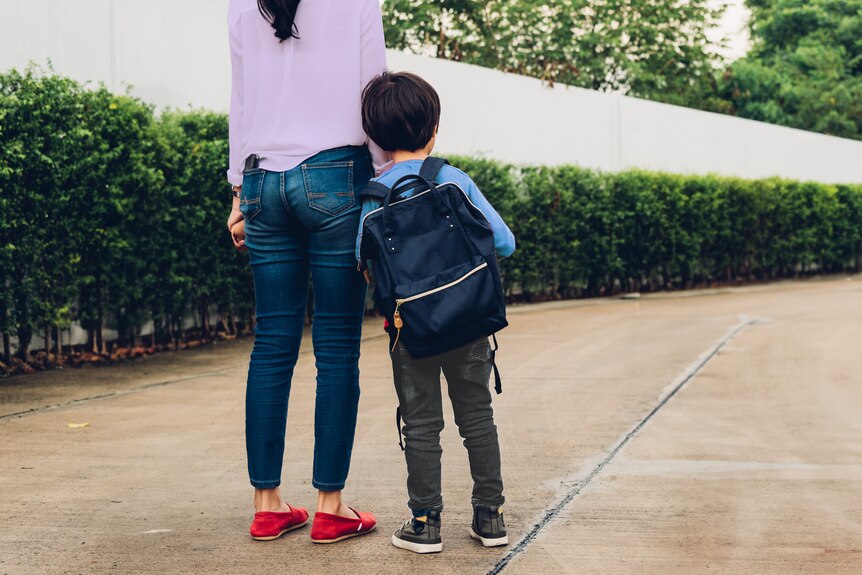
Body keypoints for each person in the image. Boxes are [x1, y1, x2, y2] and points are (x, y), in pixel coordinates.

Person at [226, 0, 388, 543]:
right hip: (335, 176)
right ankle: (329, 506)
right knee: (337, 346)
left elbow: (241, 97)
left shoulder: (243, 2)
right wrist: (386, 185)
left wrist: (236, 192)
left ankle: (267, 504)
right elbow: (375, 95)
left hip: (262, 182)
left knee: (272, 341)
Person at [357, 72, 516, 554]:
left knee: (421, 426)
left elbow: (363, 268)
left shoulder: (370, 200)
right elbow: (503, 242)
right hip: (469, 325)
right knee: (478, 418)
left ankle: (424, 524)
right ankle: (490, 518)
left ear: (374, 139)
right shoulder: (453, 179)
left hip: (411, 334)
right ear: (434, 128)